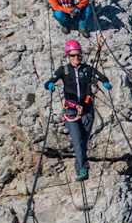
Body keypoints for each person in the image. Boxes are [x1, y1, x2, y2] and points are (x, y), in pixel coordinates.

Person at [45, 40, 110, 181]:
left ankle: (79, 165)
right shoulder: (64, 70)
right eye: (73, 56)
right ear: (68, 55)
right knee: (78, 141)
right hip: (71, 112)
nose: (76, 58)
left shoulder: (86, 69)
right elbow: (50, 81)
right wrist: (50, 85)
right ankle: (82, 169)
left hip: (87, 110)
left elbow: (101, 75)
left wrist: (105, 82)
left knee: (83, 142)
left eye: (79, 55)